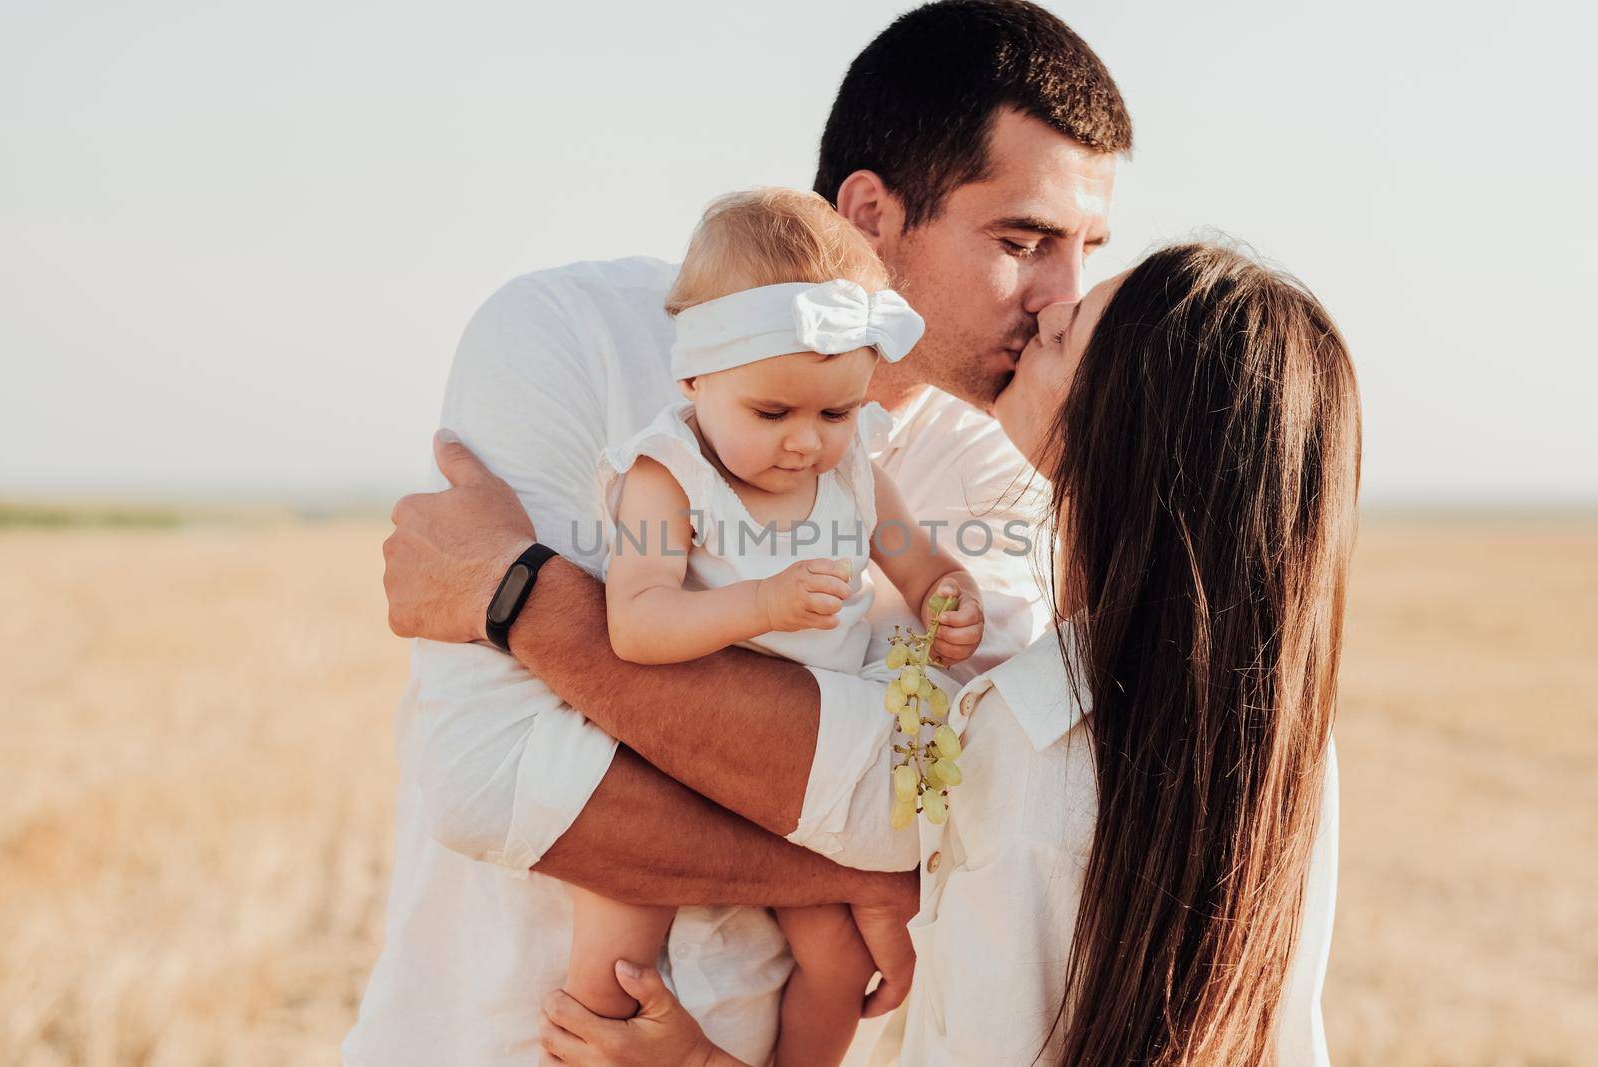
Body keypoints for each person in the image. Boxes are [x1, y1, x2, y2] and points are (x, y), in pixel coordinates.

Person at [349, 3, 1132, 1065]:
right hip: (487, 1041)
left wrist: (523, 602)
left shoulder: (997, 471)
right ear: (870, 213)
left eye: (1086, 250)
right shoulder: (571, 338)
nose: (1061, 300)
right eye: (1022, 241)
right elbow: (490, 777)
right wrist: (847, 870)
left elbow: (930, 807)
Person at [531, 242, 1359, 1066]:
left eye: (1071, 335)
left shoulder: (1031, 774)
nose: (1052, 305)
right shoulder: (1291, 748)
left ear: (1123, 430)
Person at [572, 187, 985, 1067]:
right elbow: (635, 624)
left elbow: (918, 563)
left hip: (797, 767)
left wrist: (950, 599)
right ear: (695, 378)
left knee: (837, 956)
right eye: (773, 414)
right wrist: (760, 604)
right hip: (679, 761)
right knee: (615, 940)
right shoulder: (667, 476)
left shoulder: (857, 476)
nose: (807, 443)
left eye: (835, 413)